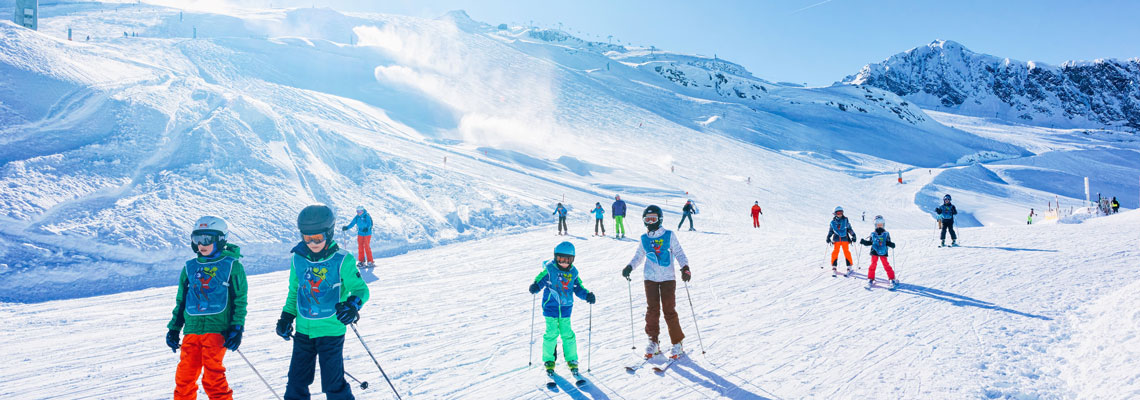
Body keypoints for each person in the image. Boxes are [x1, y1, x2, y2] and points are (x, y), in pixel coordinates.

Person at [276, 204, 370, 400]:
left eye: (317, 238)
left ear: (329, 232)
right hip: (303, 331)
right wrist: (286, 317)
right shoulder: (298, 259)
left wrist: (352, 305)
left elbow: (361, 289)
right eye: (307, 238)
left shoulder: (342, 259)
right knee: (296, 381)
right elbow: (295, 291)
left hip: (331, 331)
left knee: (333, 384)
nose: (312, 243)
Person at [167, 216, 248, 400]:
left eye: (206, 239)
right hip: (192, 330)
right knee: (184, 377)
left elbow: (240, 300)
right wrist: (174, 328)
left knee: (213, 378)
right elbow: (181, 301)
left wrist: (237, 328)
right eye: (197, 239)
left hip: (217, 330)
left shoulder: (232, 267)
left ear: (220, 240)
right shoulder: (190, 267)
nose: (201, 245)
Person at [622, 205, 691, 360]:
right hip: (650, 278)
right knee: (652, 311)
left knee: (669, 310)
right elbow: (639, 256)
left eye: (653, 218)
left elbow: (679, 252)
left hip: (668, 278)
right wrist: (629, 267)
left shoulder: (668, 235)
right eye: (648, 219)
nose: (651, 221)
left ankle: (677, 342)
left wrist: (685, 268)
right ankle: (653, 341)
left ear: (659, 219)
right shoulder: (644, 239)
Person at [528, 242, 596, 376]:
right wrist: (536, 285)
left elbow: (578, 288)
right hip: (550, 307)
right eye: (560, 259)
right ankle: (549, 360)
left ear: (572, 259)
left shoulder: (573, 273)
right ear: (555, 257)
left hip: (565, 309)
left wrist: (587, 294)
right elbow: (540, 279)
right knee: (551, 333)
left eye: (567, 260)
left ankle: (571, 359)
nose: (564, 263)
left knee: (567, 334)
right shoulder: (549, 269)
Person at [859, 216, 898, 290]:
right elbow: (870, 242)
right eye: (878, 224)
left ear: (883, 224)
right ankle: (870, 278)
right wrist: (864, 242)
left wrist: (891, 244)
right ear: (875, 225)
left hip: (883, 251)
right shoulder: (873, 233)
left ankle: (892, 279)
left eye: (881, 224)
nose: (879, 226)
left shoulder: (886, 233)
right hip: (874, 251)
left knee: (886, 264)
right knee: (873, 264)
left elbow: (888, 242)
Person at [826, 206, 856, 275]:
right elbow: (831, 231)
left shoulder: (845, 220)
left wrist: (853, 235)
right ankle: (834, 266)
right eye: (838, 213)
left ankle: (849, 266)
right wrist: (828, 237)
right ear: (835, 214)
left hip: (844, 239)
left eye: (841, 212)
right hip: (836, 239)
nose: (839, 214)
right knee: (835, 252)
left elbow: (849, 229)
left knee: (846, 252)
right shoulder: (833, 222)